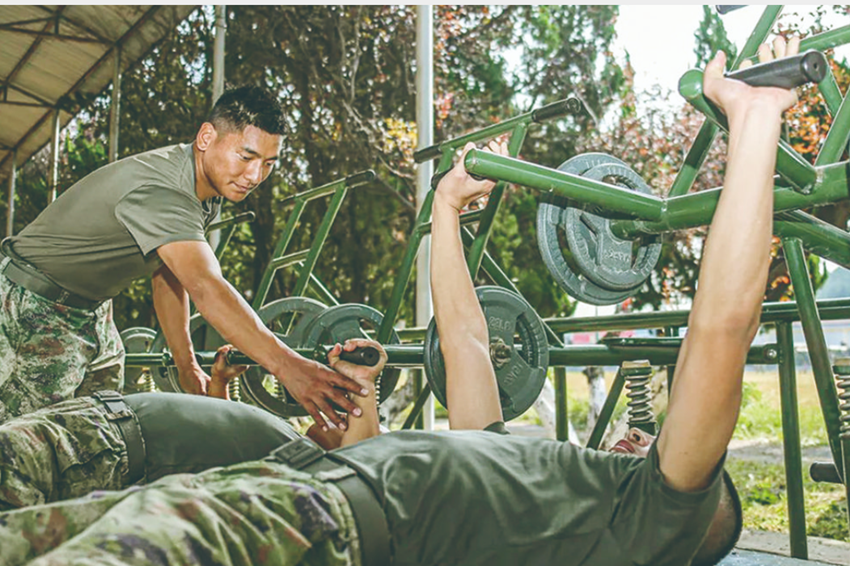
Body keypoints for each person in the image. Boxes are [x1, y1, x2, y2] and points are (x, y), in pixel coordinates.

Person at [0, 38, 799, 566]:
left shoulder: (645, 510)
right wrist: (446, 209)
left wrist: (756, 123)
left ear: (686, 525)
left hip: (319, 520)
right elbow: (468, 341)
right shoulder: (519, 455)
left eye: (657, 444)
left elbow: (721, 328)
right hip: (275, 490)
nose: (638, 435)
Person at [0, 85, 367, 430]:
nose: (255, 175)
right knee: (24, 446)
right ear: (206, 137)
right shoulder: (165, 191)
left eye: (269, 163)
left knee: (99, 435)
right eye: (246, 156)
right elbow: (205, 286)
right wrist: (288, 366)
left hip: (92, 311)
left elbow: (169, 274)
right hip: (30, 305)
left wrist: (187, 365)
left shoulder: (205, 190)